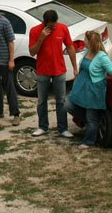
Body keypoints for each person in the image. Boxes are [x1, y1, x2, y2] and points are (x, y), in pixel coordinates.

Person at [65, 30, 112, 150]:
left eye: (85, 40)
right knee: (68, 105)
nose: (84, 41)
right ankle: (92, 124)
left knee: (91, 116)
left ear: (90, 42)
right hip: (81, 87)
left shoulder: (101, 57)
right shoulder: (88, 52)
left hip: (93, 90)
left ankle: (89, 140)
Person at [28, 9, 78, 138]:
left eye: (55, 24)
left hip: (59, 70)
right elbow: (32, 52)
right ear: (45, 23)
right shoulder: (35, 31)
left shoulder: (62, 28)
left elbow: (70, 46)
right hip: (43, 71)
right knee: (41, 101)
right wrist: (41, 38)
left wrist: (74, 67)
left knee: (61, 100)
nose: (54, 27)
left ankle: (63, 128)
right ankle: (42, 127)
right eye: (51, 25)